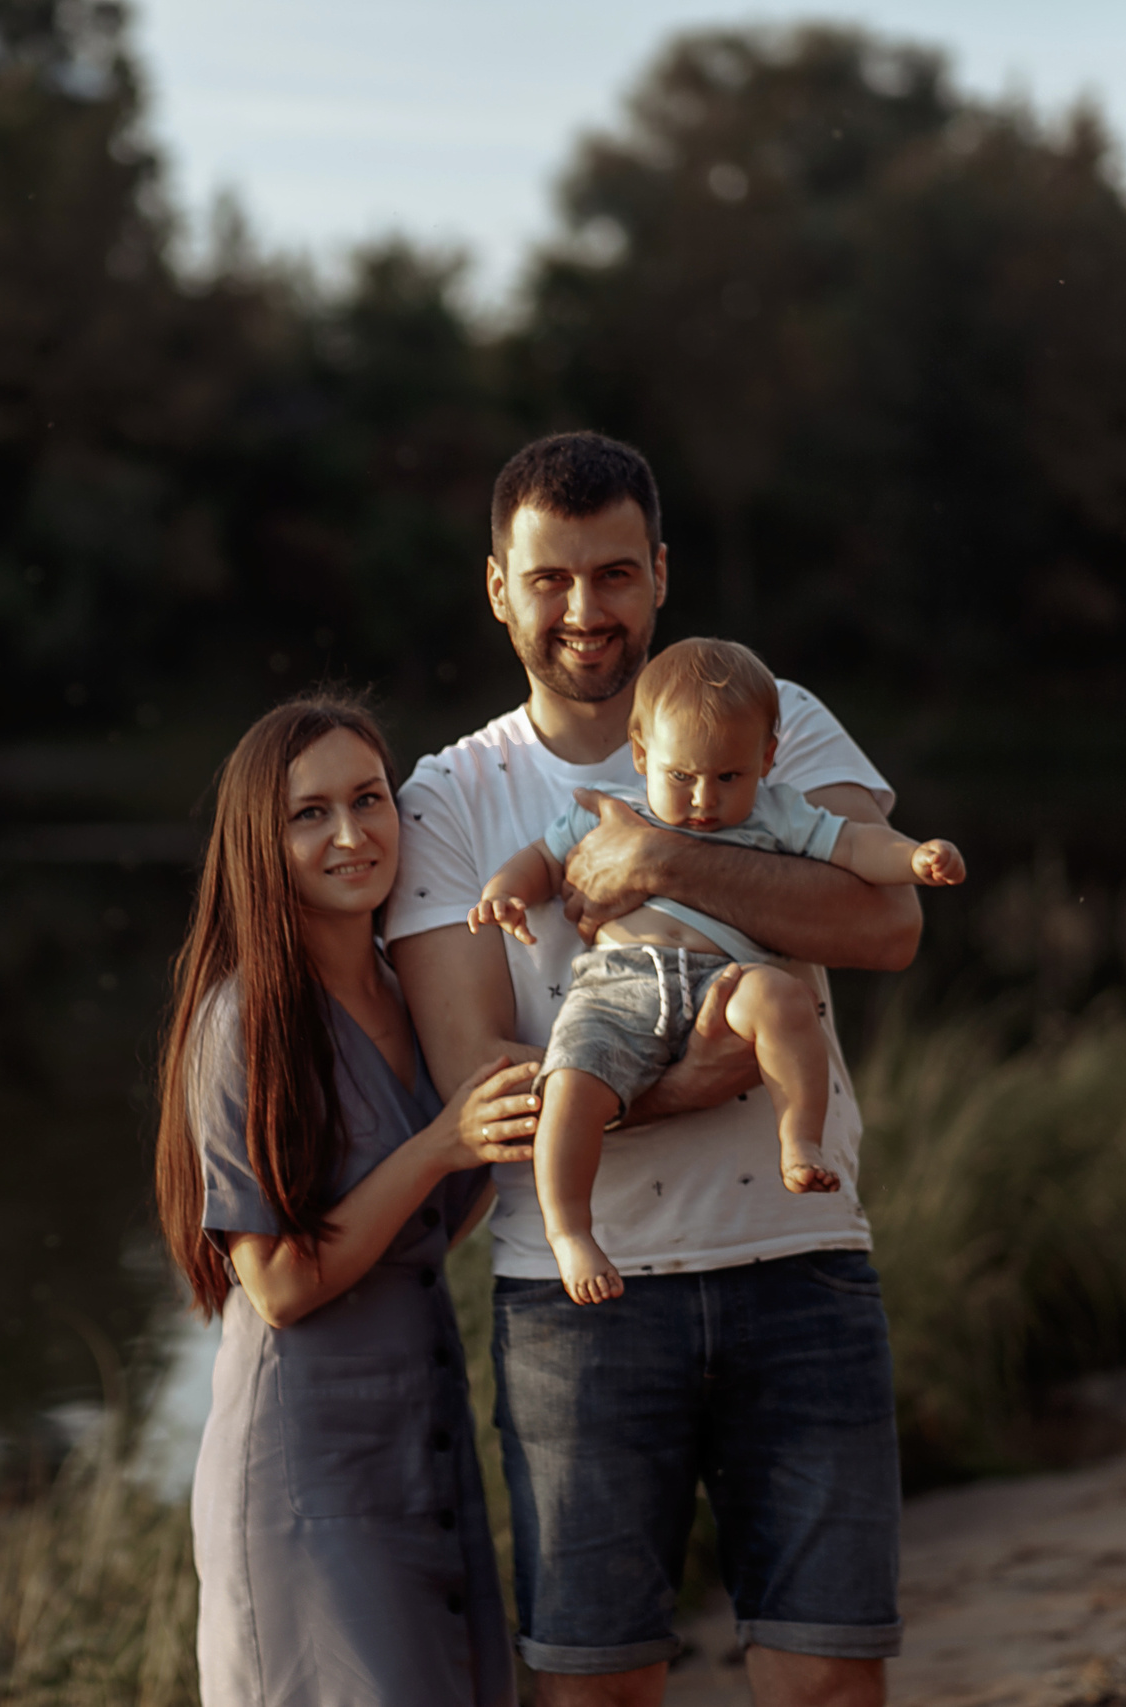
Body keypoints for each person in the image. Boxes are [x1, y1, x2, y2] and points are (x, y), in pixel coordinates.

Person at [386, 432, 916, 1706]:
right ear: (499, 589)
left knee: (827, 1681)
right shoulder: (450, 798)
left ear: (661, 573)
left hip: (798, 1260)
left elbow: (886, 924)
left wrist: (663, 859)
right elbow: (482, 1083)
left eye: (614, 573)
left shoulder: (764, 715)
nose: (584, 609)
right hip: (576, 1300)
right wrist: (697, 1079)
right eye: (550, 578)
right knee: (597, 1690)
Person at [158, 693, 541, 1707]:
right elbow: (279, 1285)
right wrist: (440, 1143)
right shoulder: (243, 1021)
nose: (351, 835)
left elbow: (431, 1222)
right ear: (261, 842)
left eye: (369, 799)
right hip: (306, 1476)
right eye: (310, 814)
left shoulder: (413, 990)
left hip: (426, 1445)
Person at [465, 638, 966, 1306]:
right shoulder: (609, 808)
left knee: (784, 1001)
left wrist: (913, 858)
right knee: (570, 1084)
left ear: (766, 759)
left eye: (729, 777)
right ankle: (571, 1232)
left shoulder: (777, 812)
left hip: (725, 981)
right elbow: (542, 860)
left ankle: (799, 1140)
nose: (704, 798)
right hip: (619, 988)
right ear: (642, 755)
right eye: (682, 776)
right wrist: (504, 893)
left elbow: (852, 844)